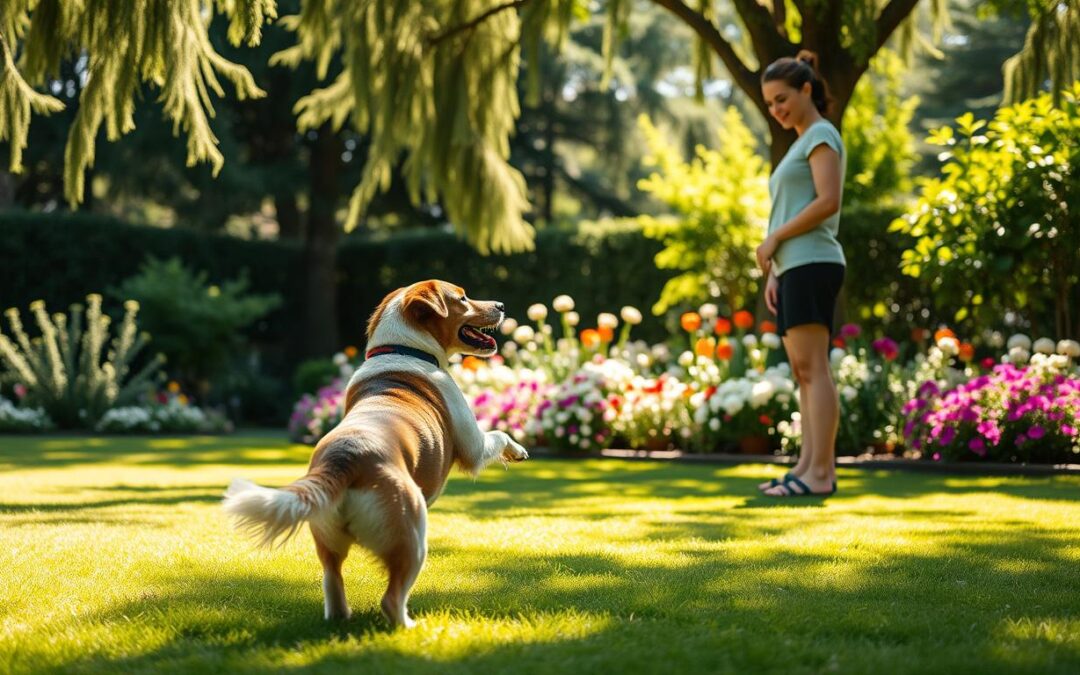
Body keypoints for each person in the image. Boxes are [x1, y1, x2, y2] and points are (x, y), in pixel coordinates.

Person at [755, 51, 845, 497]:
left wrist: (773, 242)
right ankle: (805, 468)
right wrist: (776, 270)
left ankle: (821, 475)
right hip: (795, 266)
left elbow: (828, 201)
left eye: (782, 99)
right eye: (770, 104)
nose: (777, 110)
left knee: (815, 370)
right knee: (804, 372)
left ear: (807, 89)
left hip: (815, 262)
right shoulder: (800, 140)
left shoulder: (822, 134)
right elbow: (791, 208)